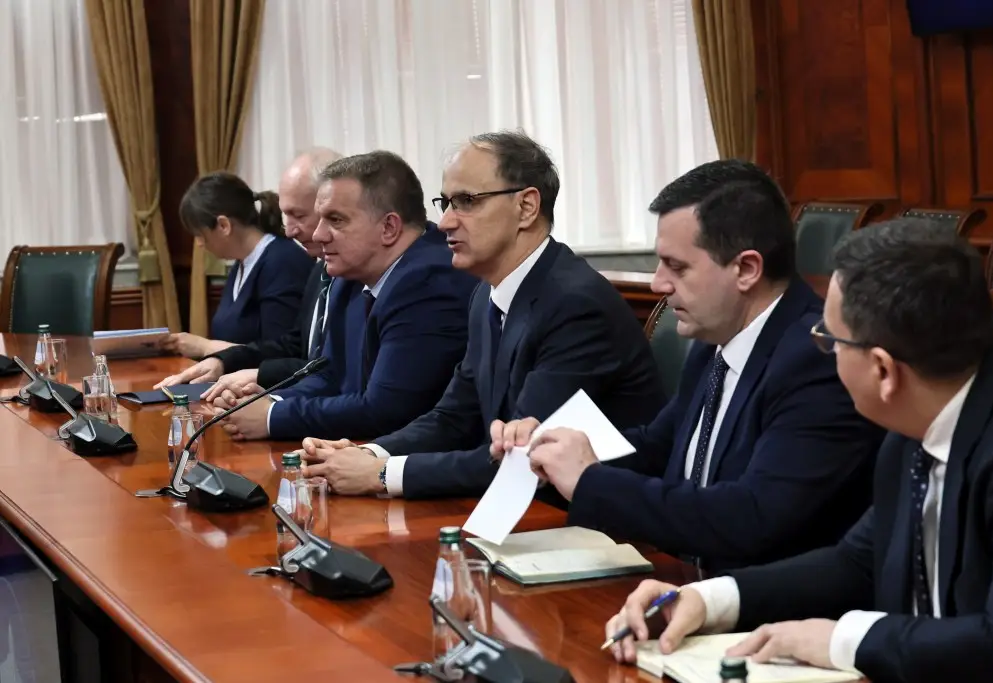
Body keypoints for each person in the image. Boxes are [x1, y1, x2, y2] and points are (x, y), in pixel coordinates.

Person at [606, 219, 993, 683]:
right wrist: (707, 600)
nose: (825, 351)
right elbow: (857, 563)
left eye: (831, 340)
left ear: (883, 371)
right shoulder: (917, 419)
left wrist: (842, 640)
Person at [491, 160, 884, 572]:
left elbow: (754, 516)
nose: (658, 283)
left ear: (746, 269)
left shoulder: (817, 359)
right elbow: (657, 448)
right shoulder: (715, 339)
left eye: (676, 267)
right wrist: (553, 451)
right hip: (684, 583)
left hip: (763, 602)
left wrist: (590, 480)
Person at [299, 130, 665, 498]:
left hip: (587, 517)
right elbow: (453, 417)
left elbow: (525, 459)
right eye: (446, 203)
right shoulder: (486, 294)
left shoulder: (575, 304)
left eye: (466, 201)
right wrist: (368, 454)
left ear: (526, 207)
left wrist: (381, 474)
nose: (445, 222)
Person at [211, 150, 478, 442]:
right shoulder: (350, 273)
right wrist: (267, 402)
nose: (318, 235)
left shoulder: (428, 283)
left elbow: (386, 410)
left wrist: (272, 417)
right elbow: (329, 375)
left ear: (389, 227)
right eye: (320, 219)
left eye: (335, 220)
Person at [155, 148, 341, 390]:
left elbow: (312, 363)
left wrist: (207, 348)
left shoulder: (286, 260)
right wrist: (221, 361)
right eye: (287, 216)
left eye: (299, 215)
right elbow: (293, 345)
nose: (289, 231)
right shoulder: (318, 270)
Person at [165, 171, 314, 354]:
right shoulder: (242, 264)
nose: (199, 243)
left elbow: (281, 353)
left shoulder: (283, 262)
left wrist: (205, 347)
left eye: (199, 234)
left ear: (223, 226)